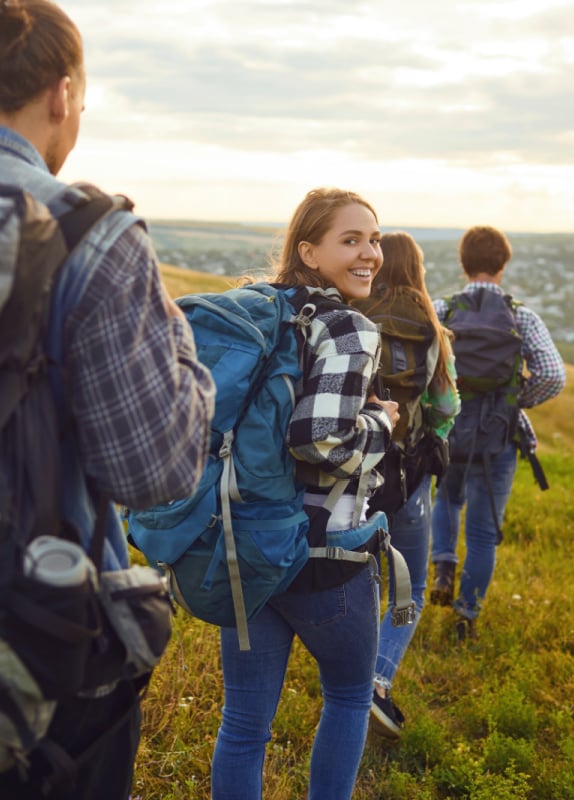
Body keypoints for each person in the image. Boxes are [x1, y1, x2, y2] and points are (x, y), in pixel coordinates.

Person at [0, 2, 216, 798]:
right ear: (61, 95)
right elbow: (154, 469)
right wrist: (188, 363)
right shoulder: (91, 232)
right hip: (37, 643)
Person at [210, 188, 400, 800]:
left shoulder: (256, 308)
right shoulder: (348, 327)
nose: (370, 253)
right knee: (347, 696)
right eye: (352, 240)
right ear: (309, 251)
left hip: (245, 545)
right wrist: (383, 426)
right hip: (325, 555)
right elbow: (317, 440)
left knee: (242, 726)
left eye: (374, 239)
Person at [429, 225, 566, 638]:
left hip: (449, 429)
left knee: (447, 500)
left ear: (463, 263)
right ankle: (466, 617)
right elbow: (553, 376)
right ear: (503, 264)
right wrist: (512, 401)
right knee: (485, 535)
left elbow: (422, 365)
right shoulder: (521, 315)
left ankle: (443, 566)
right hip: (499, 438)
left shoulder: (442, 309)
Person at [353, 232, 460, 739]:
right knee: (410, 585)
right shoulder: (432, 330)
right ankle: (374, 680)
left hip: (348, 470)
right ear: (416, 269)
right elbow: (447, 408)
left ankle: (347, 677)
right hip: (408, 472)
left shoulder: (350, 316)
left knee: (356, 577)